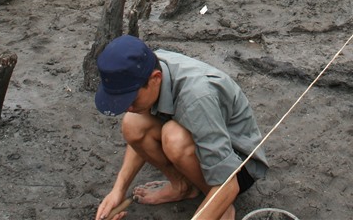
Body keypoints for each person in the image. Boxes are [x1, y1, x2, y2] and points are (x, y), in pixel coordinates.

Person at [94, 35, 269, 220]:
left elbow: (229, 183)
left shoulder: (197, 98)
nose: (127, 107)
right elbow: (137, 130)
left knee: (174, 137)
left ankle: (223, 208)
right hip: (201, 138)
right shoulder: (146, 65)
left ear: (156, 78)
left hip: (238, 166)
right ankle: (182, 187)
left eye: (131, 99)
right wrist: (118, 190)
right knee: (133, 123)